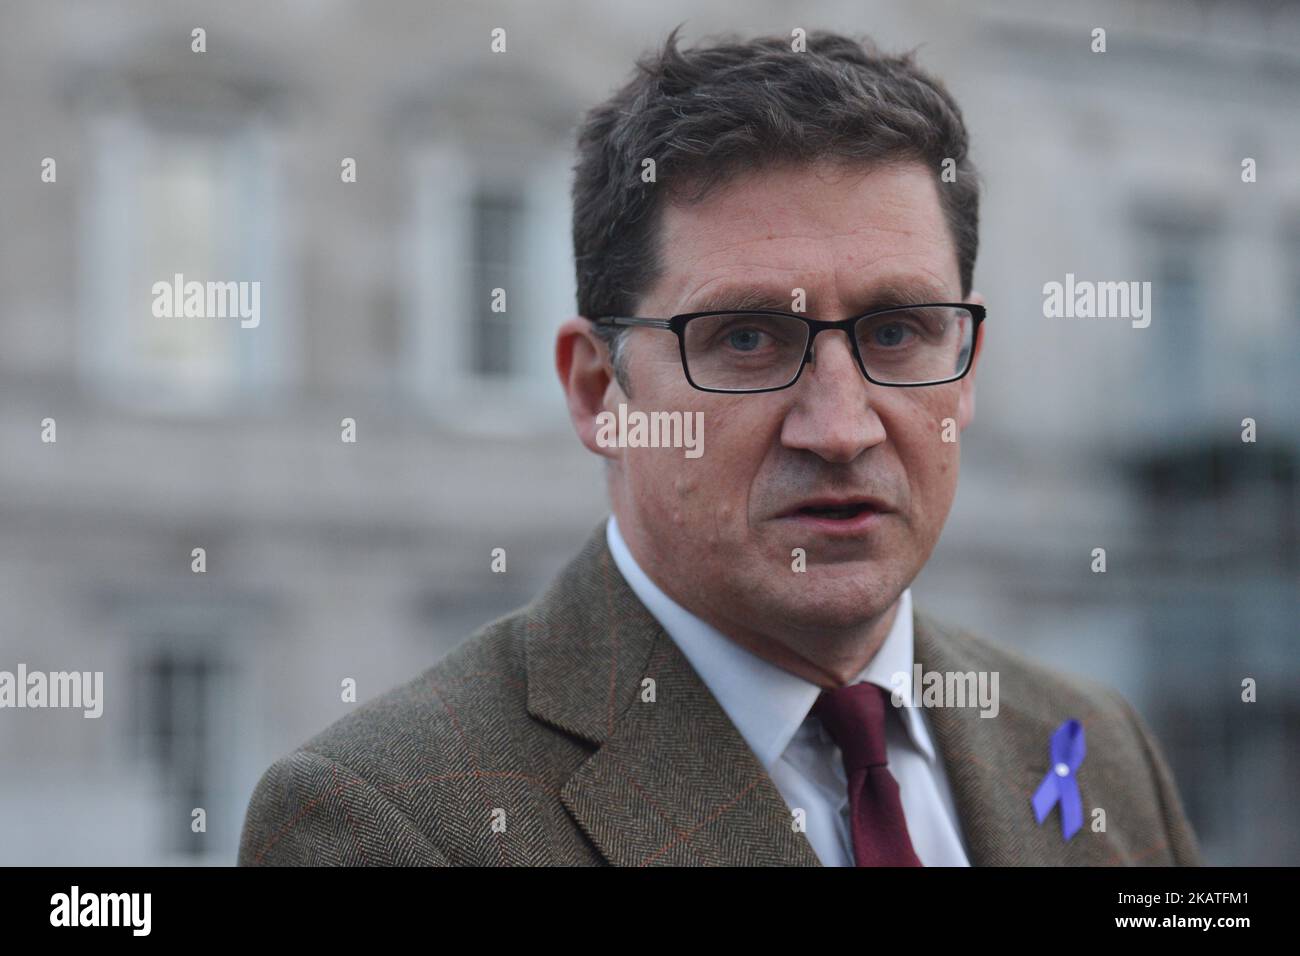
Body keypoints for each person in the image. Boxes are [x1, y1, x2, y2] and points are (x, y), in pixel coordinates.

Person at [239, 26, 1202, 866]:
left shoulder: (1092, 745)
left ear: (969, 362)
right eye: (746, 341)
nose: (840, 427)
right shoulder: (384, 823)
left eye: (898, 332)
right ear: (597, 390)